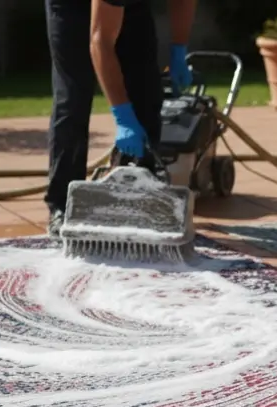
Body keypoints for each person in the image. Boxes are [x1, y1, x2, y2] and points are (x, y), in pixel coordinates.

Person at [44, 0, 198, 235]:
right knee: (73, 97)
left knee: (146, 90)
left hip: (130, 5)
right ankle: (62, 206)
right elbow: (100, 41)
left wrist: (179, 49)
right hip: (70, 7)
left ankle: (139, 194)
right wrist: (123, 117)